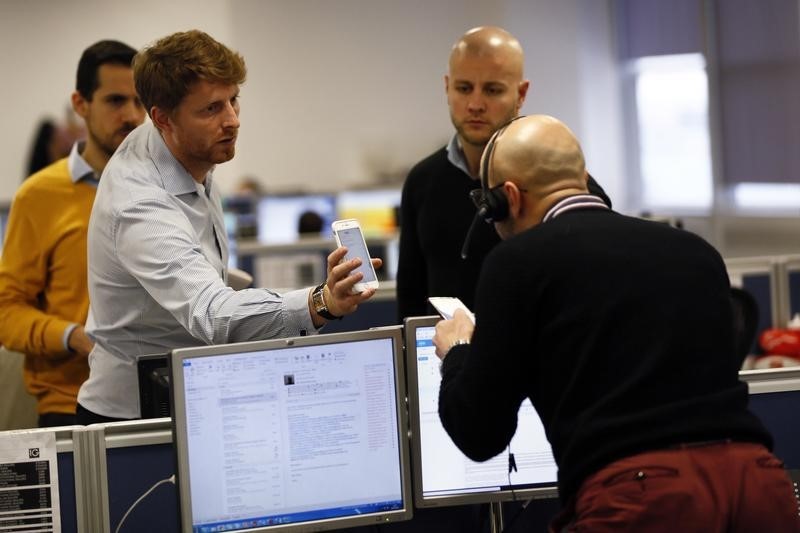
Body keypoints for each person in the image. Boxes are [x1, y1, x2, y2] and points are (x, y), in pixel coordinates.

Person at [432, 115, 800, 532]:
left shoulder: (516, 263)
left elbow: (479, 434)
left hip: (645, 499)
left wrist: (459, 351)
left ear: (509, 198)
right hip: (760, 483)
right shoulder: (696, 252)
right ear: (583, 178)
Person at [77, 30, 379, 423]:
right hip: (132, 421)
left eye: (234, 100)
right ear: (162, 118)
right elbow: (214, 316)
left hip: (191, 395)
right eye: (212, 109)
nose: (232, 121)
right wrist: (319, 302)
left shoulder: (187, 153)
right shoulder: (139, 202)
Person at [396, 26, 610, 321]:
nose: (475, 104)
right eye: (463, 88)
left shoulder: (559, 180)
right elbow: (409, 298)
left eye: (493, 90)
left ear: (521, 94)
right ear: (447, 87)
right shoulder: (421, 181)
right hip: (441, 360)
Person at [0, 40, 146, 428]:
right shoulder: (39, 196)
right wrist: (71, 336)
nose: (131, 115)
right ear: (80, 104)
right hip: (71, 407)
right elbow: (6, 312)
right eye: (115, 101)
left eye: (139, 102)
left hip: (155, 399)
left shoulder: (164, 188)